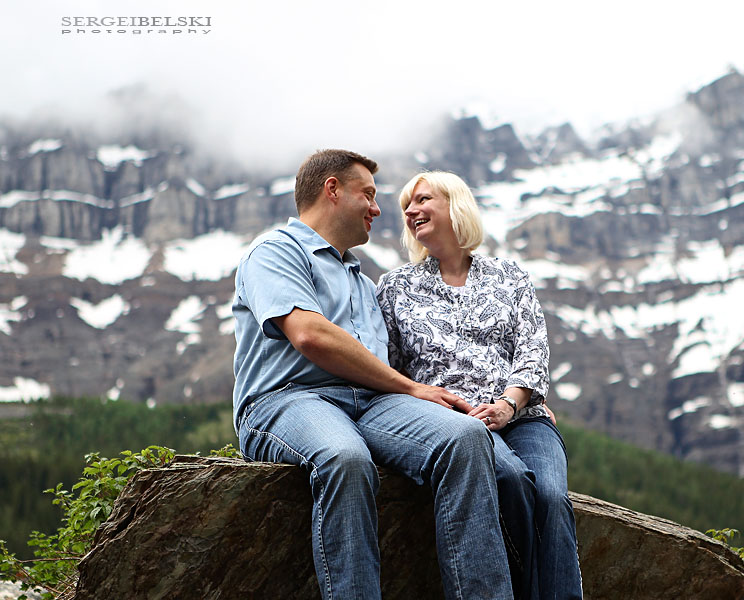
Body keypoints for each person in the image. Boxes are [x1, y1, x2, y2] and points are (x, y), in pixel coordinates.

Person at [231, 150, 515, 600]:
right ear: (332, 190)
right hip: (286, 399)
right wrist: (411, 388)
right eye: (368, 194)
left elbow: (403, 361)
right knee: (345, 458)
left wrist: (524, 396)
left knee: (464, 438)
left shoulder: (365, 284)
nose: (379, 210)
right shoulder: (275, 252)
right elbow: (310, 335)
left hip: (372, 404)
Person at [376, 171, 583, 600]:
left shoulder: (510, 276)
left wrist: (510, 403)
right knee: (510, 480)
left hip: (523, 417)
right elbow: (389, 370)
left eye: (422, 200)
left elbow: (533, 352)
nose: (411, 211)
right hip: (453, 424)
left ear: (456, 204)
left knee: (551, 498)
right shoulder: (395, 287)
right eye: (406, 208)